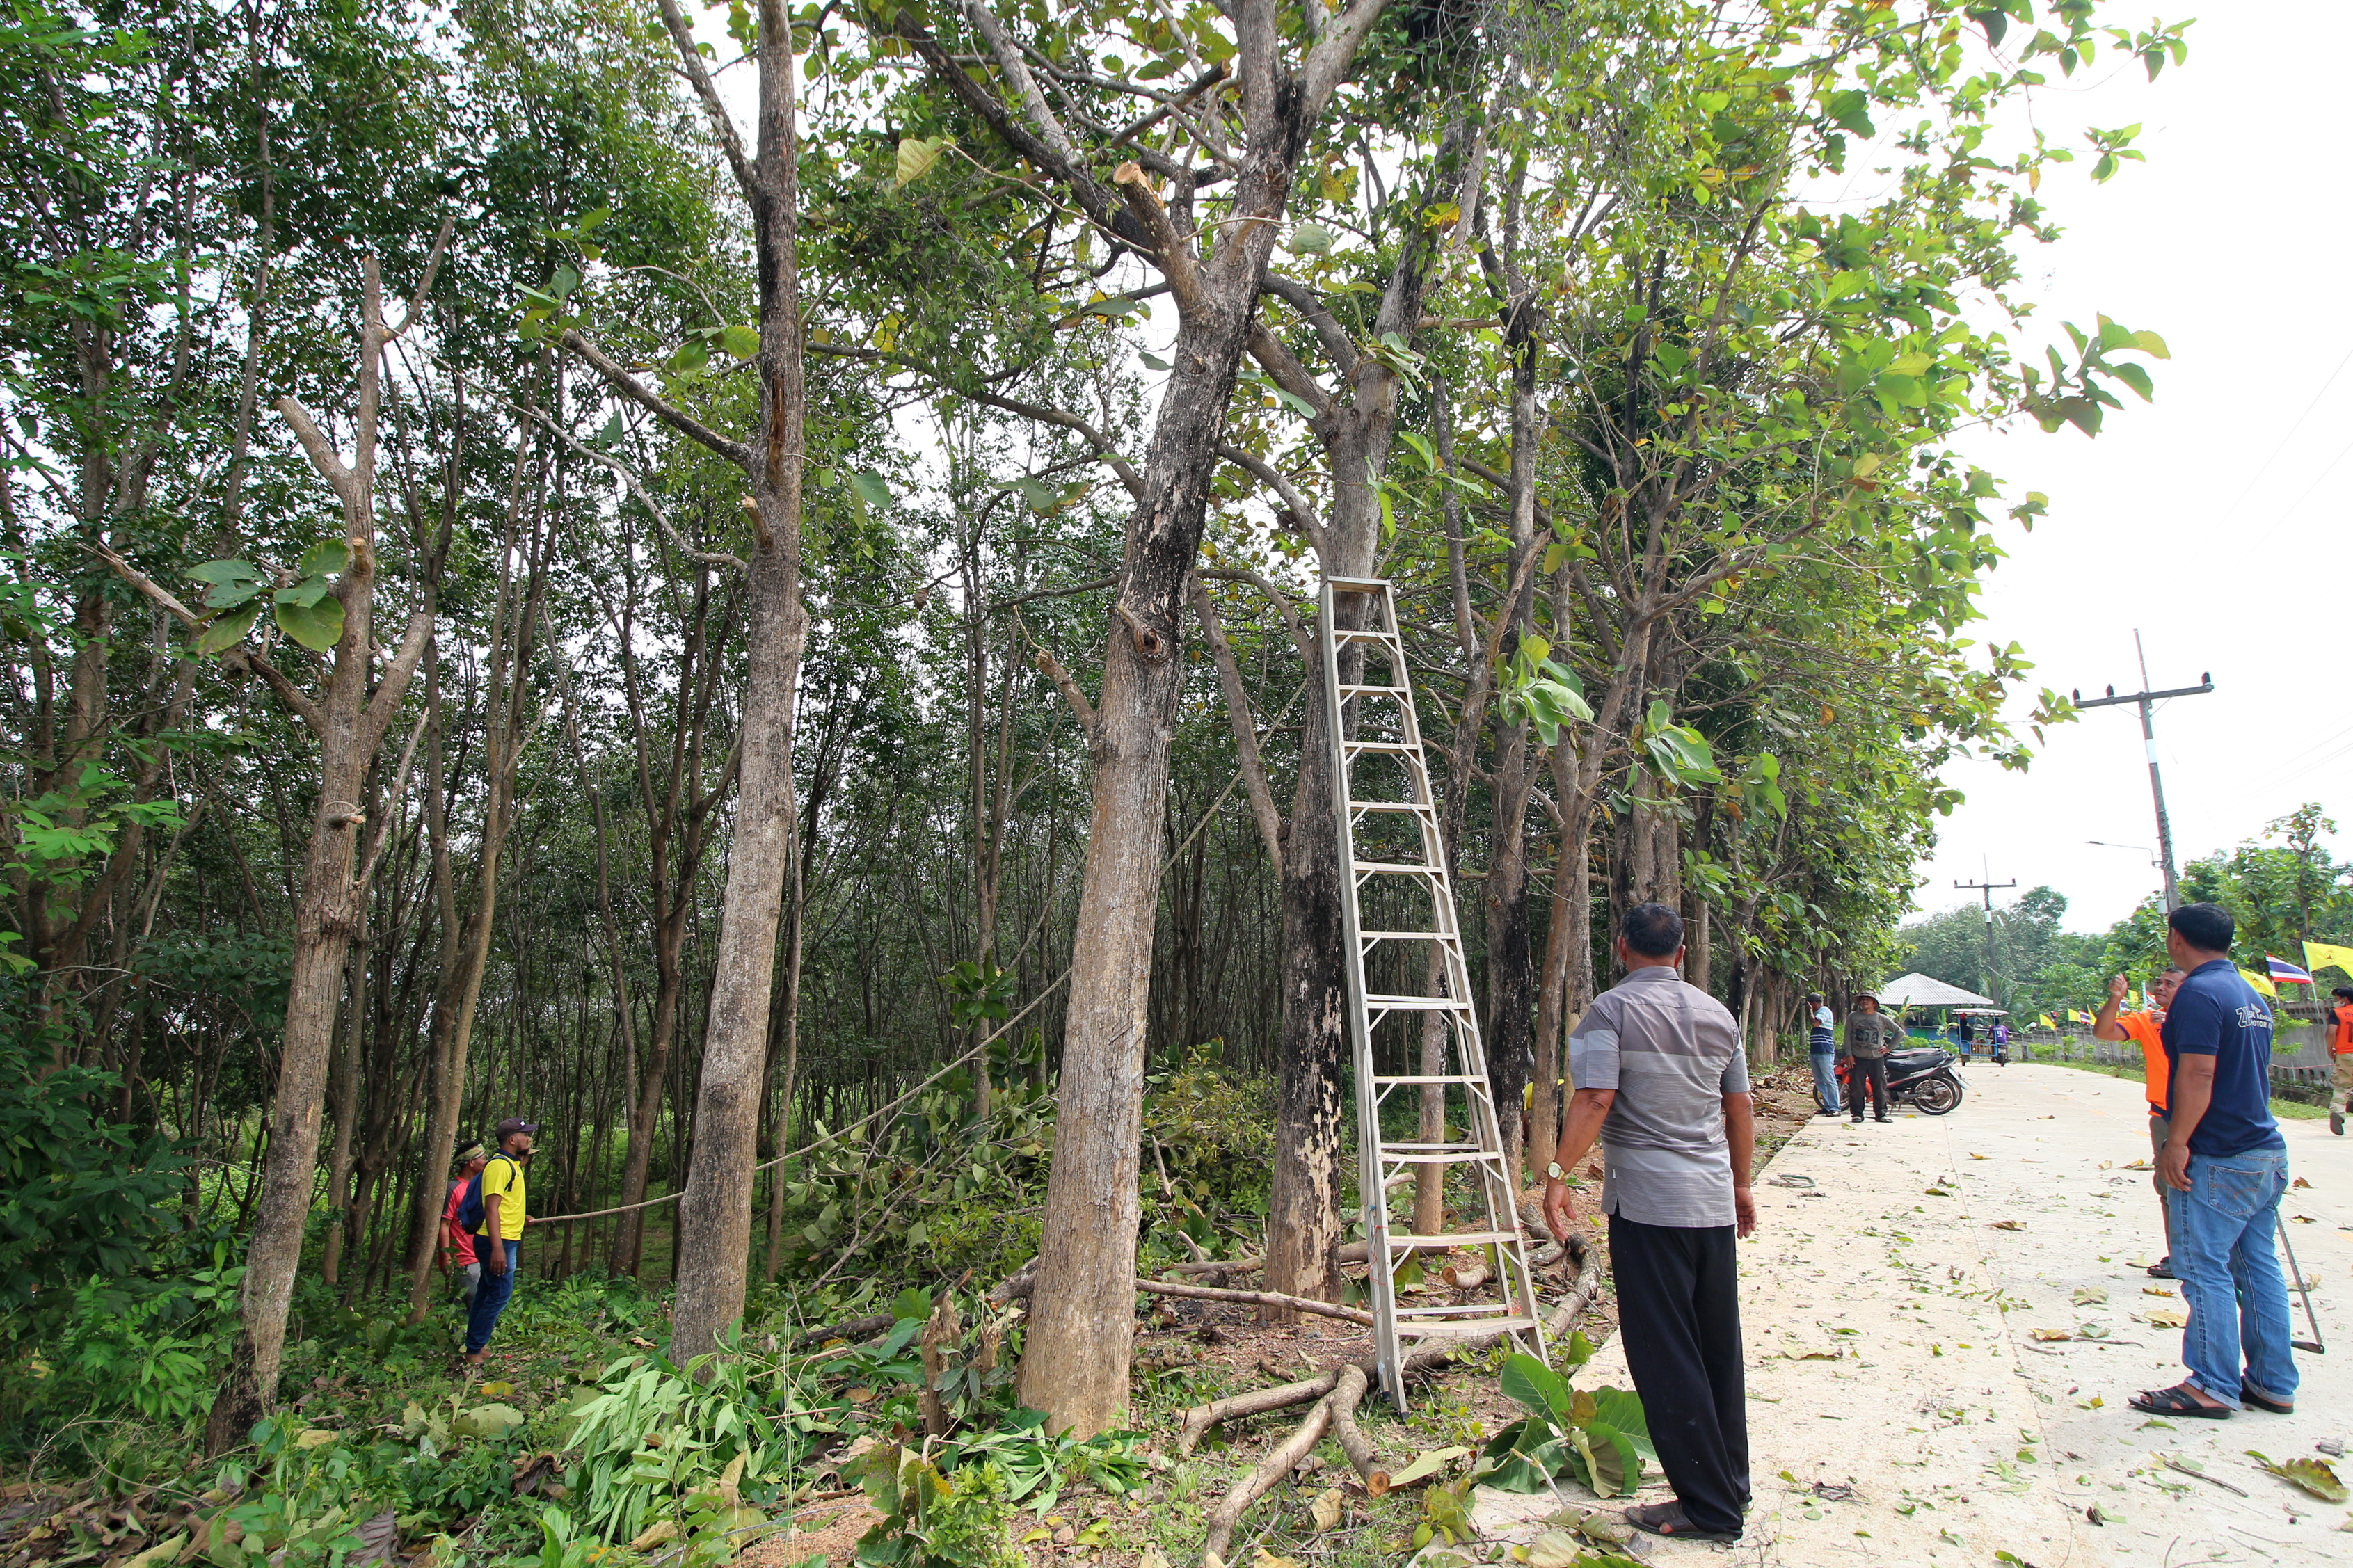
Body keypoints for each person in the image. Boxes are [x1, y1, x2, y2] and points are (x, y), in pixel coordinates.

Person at [1541, 903, 1755, 1544]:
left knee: (1664, 1355)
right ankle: (1729, 1483)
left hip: (1650, 1207)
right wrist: (1742, 1185)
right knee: (1717, 1346)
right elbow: (1738, 1105)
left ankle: (1709, 1509)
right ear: (1682, 955)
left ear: (1621, 947)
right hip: (1711, 1203)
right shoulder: (1720, 1016)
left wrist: (1556, 1175)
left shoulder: (1609, 1012)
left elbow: (1596, 1097)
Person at [2128, 903, 2297, 1421]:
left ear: (2177, 939)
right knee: (2257, 1267)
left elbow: (2198, 1075)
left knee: (2205, 1269)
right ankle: (2272, 1382)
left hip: (2218, 1153)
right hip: (2262, 1149)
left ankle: (2212, 1384)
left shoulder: (2198, 994)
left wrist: (2176, 1143)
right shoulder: (2248, 993)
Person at [2093, 967, 2185, 1277]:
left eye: (2169, 984)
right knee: (2169, 1185)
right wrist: (2115, 999)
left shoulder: (2206, 1016)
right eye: (2159, 983)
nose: (2160, 988)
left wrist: (2175, 1025)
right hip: (2164, 1114)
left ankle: (2216, 1257)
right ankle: (2180, 1258)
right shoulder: (2148, 1020)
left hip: (2203, 1115)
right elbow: (2104, 1032)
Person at [463, 1118, 540, 1368]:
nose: (528, 1139)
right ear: (512, 1139)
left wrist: (521, 1217)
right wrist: (497, 1249)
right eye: (524, 1135)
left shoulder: (512, 1165)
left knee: (486, 1293)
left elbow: (506, 1204)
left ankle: (476, 1345)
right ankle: (474, 1348)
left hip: (507, 1237)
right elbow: (492, 1208)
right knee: (499, 1295)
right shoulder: (499, 1166)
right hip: (497, 1241)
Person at [440, 1144, 490, 1309]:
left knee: (470, 1304)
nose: (486, 1162)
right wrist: (446, 1258)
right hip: (462, 1261)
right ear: (471, 1162)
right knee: (471, 1302)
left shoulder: (482, 1186)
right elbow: (445, 1224)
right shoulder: (452, 1188)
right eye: (483, 1158)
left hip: (482, 1257)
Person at [1843, 992, 1899, 1123]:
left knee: (1879, 1086)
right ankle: (1857, 1114)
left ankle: (1880, 1114)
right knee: (1856, 1087)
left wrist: (1888, 1048)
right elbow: (1847, 1036)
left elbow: (1899, 1032)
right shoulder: (1853, 1017)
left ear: (1874, 1003)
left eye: (1868, 1000)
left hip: (1876, 1059)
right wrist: (1849, 1054)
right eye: (1863, 1000)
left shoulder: (1881, 1018)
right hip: (1857, 1058)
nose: (1865, 1002)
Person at [1805, 991, 1839, 1117]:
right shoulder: (1819, 1013)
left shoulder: (1824, 1011)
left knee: (1829, 1080)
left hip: (1825, 1051)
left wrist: (1810, 1012)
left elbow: (1815, 1023)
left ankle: (1835, 1107)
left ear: (1813, 1004)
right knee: (1820, 1081)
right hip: (1816, 1050)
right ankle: (1827, 1106)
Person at [2330, 984, 2353, 1137]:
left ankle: (2337, 1112)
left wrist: (2329, 1049)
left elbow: (2331, 1031)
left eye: (2337, 999)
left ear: (2345, 1000)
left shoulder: (2338, 1013)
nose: (2335, 1001)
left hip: (2345, 1054)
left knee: (2342, 1086)